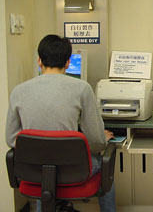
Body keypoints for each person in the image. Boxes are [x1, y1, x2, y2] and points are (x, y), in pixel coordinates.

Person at [6, 34, 117, 212]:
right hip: (72, 170)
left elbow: (12, 139)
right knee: (106, 164)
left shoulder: (18, 91)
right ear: (67, 62)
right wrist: (103, 139)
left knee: (43, 169)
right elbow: (95, 142)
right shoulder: (82, 88)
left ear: (39, 61)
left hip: (33, 171)